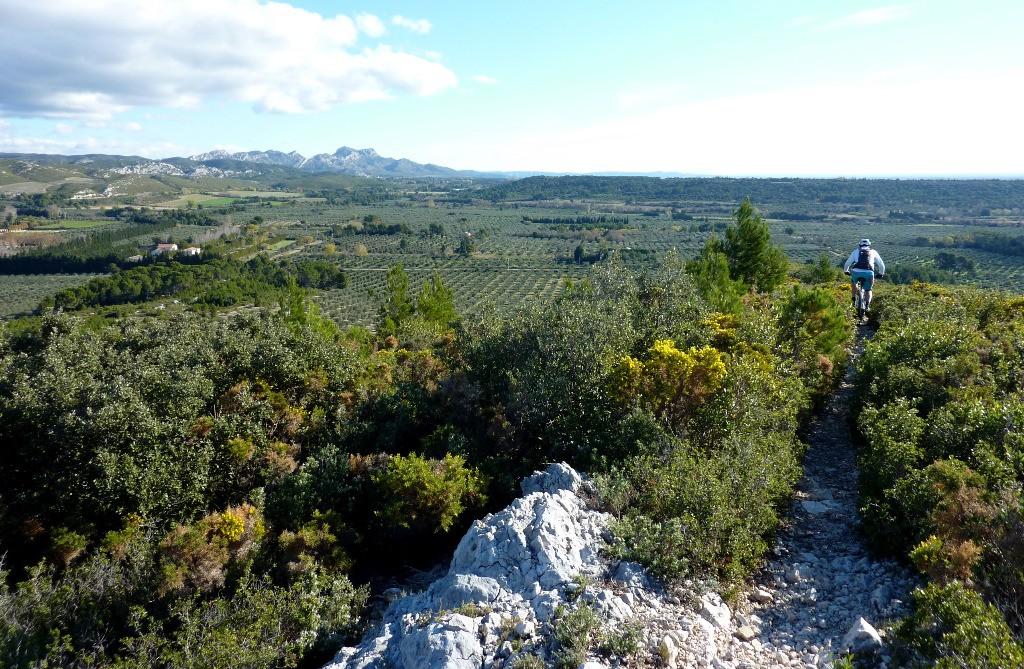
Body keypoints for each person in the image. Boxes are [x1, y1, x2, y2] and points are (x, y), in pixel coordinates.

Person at [843, 238, 885, 312]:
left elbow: (847, 263)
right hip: (869, 273)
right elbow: (881, 265)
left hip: (855, 272)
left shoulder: (856, 252)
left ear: (860, 245)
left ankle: (853, 300)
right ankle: (867, 306)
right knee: (868, 289)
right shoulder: (874, 252)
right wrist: (880, 274)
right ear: (869, 246)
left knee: (854, 282)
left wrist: (846, 271)